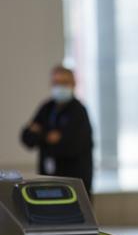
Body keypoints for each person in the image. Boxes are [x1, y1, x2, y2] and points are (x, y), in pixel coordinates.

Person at [21, 65, 94, 196]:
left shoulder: (78, 111)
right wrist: (48, 137)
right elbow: (27, 137)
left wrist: (40, 134)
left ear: (73, 84)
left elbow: (70, 147)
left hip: (74, 184)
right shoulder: (47, 108)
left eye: (64, 83)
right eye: (56, 83)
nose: (59, 87)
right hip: (47, 181)